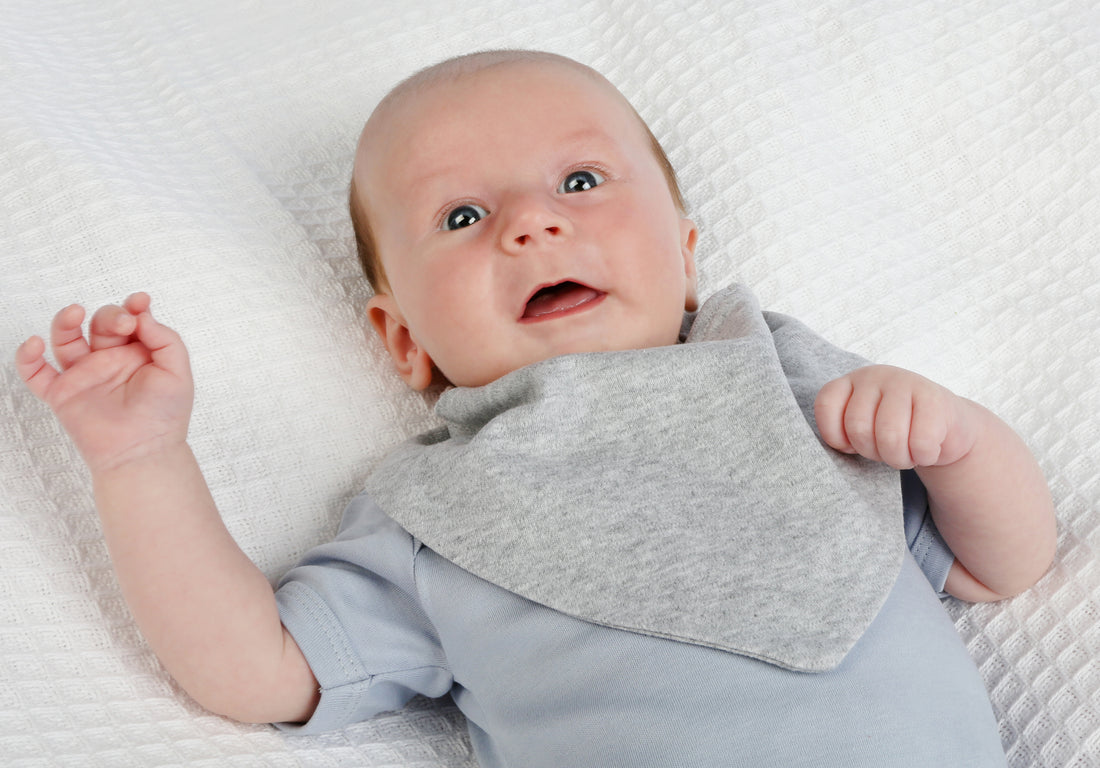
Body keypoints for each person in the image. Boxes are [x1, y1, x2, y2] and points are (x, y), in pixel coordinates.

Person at [15, 50, 1057, 766]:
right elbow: (261, 673)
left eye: (580, 179)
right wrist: (141, 459)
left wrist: (955, 442)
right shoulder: (440, 514)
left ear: (686, 257)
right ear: (403, 339)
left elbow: (996, 561)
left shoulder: (790, 392)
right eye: (461, 215)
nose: (530, 225)